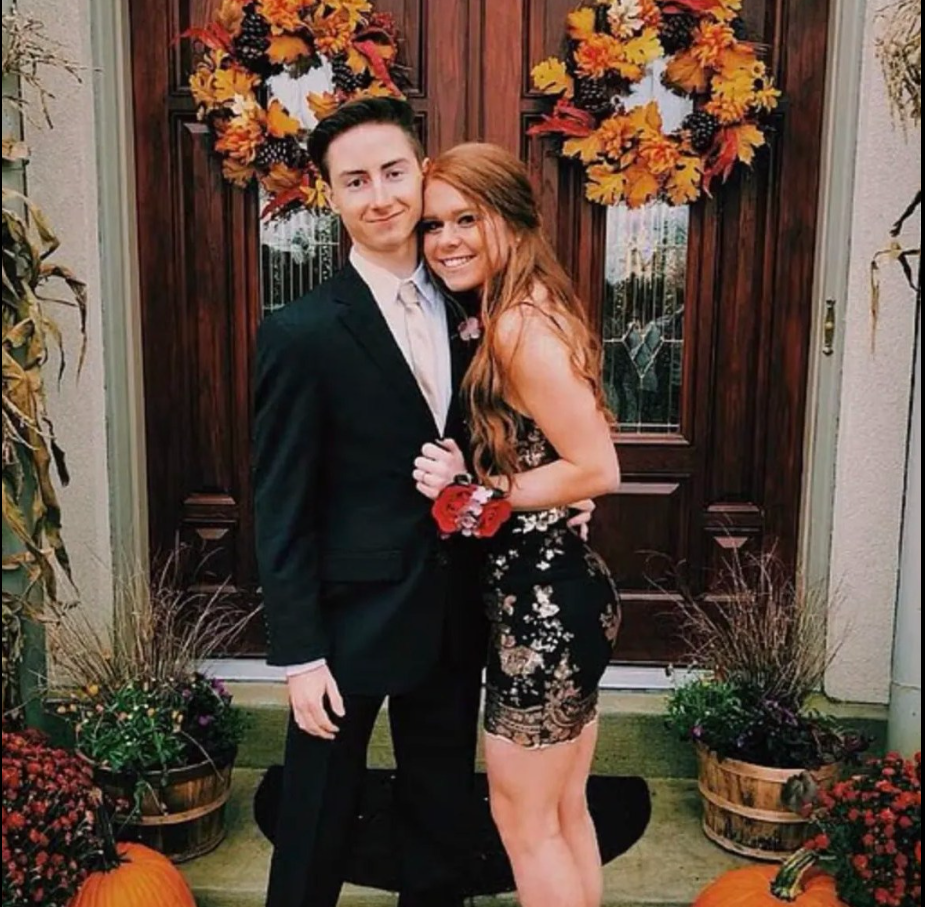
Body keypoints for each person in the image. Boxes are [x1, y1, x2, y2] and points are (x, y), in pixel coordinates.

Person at [253, 99, 591, 907]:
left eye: (393, 172)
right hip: (346, 621)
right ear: (329, 195)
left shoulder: (475, 304)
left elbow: (525, 436)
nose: (380, 197)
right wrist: (300, 655)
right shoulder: (301, 332)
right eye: (355, 181)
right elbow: (280, 501)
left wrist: (555, 494)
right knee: (315, 818)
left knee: (441, 818)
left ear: (421, 172)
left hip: (456, 605)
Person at [413, 143, 623, 907]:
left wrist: (471, 489)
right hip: (559, 595)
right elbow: (568, 446)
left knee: (525, 822)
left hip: (543, 613)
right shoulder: (518, 308)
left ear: (512, 219)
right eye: (432, 224)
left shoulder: (517, 326)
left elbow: (596, 466)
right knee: (562, 811)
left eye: (467, 219)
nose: (446, 240)